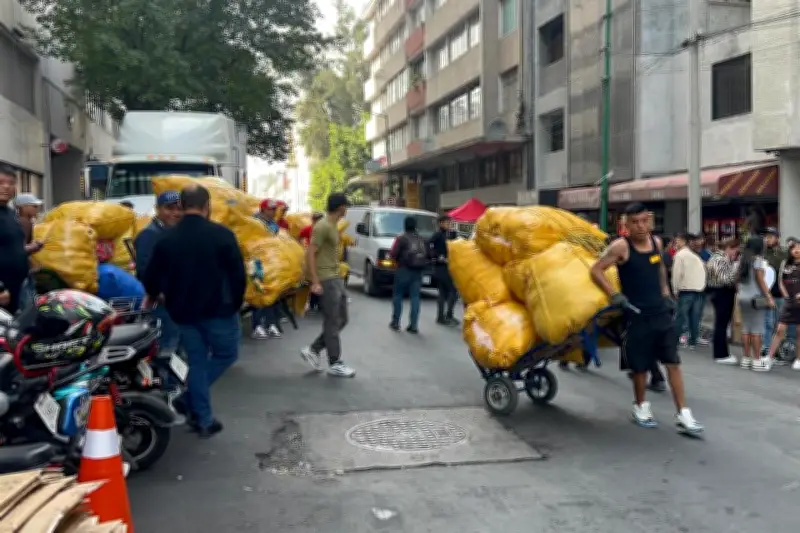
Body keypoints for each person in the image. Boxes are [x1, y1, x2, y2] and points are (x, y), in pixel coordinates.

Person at [141, 185, 246, 438]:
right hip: (218, 311)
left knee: (197, 361)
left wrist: (157, 295)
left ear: (183, 205)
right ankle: (189, 400)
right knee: (226, 354)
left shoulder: (167, 239)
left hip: (182, 312)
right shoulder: (221, 235)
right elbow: (238, 276)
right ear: (206, 206)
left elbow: (151, 277)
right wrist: (236, 303)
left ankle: (204, 419)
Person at [590, 202, 702, 433]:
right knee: (640, 367)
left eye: (644, 221)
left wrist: (665, 292)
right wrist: (614, 294)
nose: (641, 227)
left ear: (649, 221)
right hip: (635, 314)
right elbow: (596, 270)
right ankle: (640, 406)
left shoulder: (656, 242)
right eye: (635, 222)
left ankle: (683, 413)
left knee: (673, 362)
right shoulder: (621, 246)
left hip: (660, 312)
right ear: (626, 225)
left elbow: (660, 267)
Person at [299, 193, 356, 377]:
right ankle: (335, 362)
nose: (347, 209)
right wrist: (315, 281)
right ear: (339, 207)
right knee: (332, 321)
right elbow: (310, 253)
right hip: (326, 279)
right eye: (345, 206)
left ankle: (314, 349)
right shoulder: (322, 226)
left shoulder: (333, 226)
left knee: (342, 319)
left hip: (336, 277)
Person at [134, 191, 183, 356]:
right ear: (157, 209)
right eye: (169, 208)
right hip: (163, 305)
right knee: (166, 348)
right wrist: (161, 294)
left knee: (178, 348)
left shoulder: (174, 233)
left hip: (178, 303)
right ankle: (166, 382)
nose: (175, 213)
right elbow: (145, 270)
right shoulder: (150, 234)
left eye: (179, 208)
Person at [0, 166, 36, 314]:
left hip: (19, 288)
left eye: (11, 183)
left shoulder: (10, 214)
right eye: (1, 182)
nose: (6, 186)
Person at [737, 236, 775, 371]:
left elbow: (737, 279)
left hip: (743, 297)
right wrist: (769, 297)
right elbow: (760, 280)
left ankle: (746, 358)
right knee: (757, 329)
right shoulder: (758, 260)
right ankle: (757, 359)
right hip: (756, 298)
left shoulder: (742, 260)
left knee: (745, 328)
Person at [764, 242, 800, 370]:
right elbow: (780, 281)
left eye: (799, 248)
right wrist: (786, 296)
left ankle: (798, 359)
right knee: (779, 330)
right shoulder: (785, 263)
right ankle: (769, 356)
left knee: (798, 332)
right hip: (789, 301)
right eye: (794, 248)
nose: (796, 250)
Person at [389, 216, 428, 333]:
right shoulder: (421, 238)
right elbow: (429, 253)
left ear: (405, 225)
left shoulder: (401, 238)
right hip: (418, 271)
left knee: (398, 295)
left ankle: (396, 322)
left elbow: (393, 254)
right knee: (415, 297)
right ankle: (414, 325)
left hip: (403, 270)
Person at [706, 238, 741, 364]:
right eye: (735, 251)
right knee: (721, 324)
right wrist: (736, 267)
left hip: (720, 292)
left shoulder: (718, 258)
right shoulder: (719, 259)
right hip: (722, 292)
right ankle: (720, 354)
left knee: (722, 323)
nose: (736, 254)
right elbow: (725, 279)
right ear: (729, 248)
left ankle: (722, 353)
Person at [251, 199, 282, 339]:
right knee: (258, 292)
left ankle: (270, 323)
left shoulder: (274, 224)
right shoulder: (252, 222)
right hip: (256, 263)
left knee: (272, 292)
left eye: (275, 209)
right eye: (271, 209)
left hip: (270, 262)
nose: (273, 212)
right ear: (263, 209)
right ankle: (257, 326)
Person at [672, 232, 707, 349]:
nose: (676, 242)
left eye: (678, 240)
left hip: (685, 290)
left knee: (681, 316)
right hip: (699, 289)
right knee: (695, 316)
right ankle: (693, 340)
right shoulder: (695, 256)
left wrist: (675, 289)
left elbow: (676, 274)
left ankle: (674, 339)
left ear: (683, 241)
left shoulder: (680, 255)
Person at [762, 227, 792, 353]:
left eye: (770, 236)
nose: (767, 239)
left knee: (780, 323)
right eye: (766, 236)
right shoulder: (762, 252)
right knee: (767, 322)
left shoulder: (784, 252)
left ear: (777, 238)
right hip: (766, 292)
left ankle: (779, 348)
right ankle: (767, 347)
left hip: (780, 292)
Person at [428, 215, 458, 326]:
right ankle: (447, 315)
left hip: (449, 266)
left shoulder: (450, 235)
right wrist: (437, 256)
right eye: (447, 222)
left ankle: (442, 316)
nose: (449, 224)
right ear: (440, 223)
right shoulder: (437, 235)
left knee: (444, 293)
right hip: (441, 267)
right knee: (452, 291)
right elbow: (429, 246)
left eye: (450, 222)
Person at [300, 213, 325, 312]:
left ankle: (318, 303)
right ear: (313, 220)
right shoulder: (308, 229)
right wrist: (302, 247)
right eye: (317, 220)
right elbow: (299, 237)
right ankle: (313, 302)